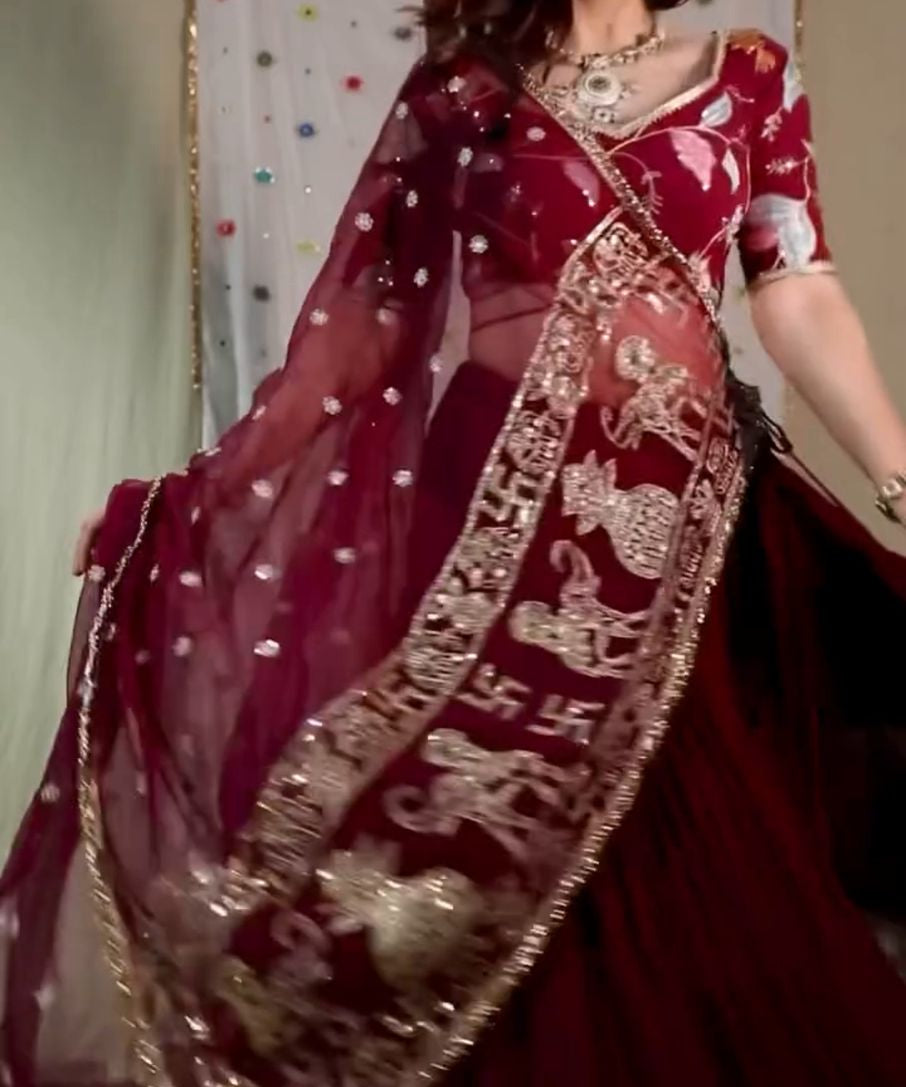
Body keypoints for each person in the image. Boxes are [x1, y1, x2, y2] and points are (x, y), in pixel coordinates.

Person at [2, 0, 905, 1082]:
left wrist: (899, 471)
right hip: (483, 520)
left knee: (669, 843)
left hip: (674, 528)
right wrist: (195, 498)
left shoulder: (745, 76)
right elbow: (359, 336)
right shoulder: (465, 91)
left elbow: (795, 288)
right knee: (463, 837)